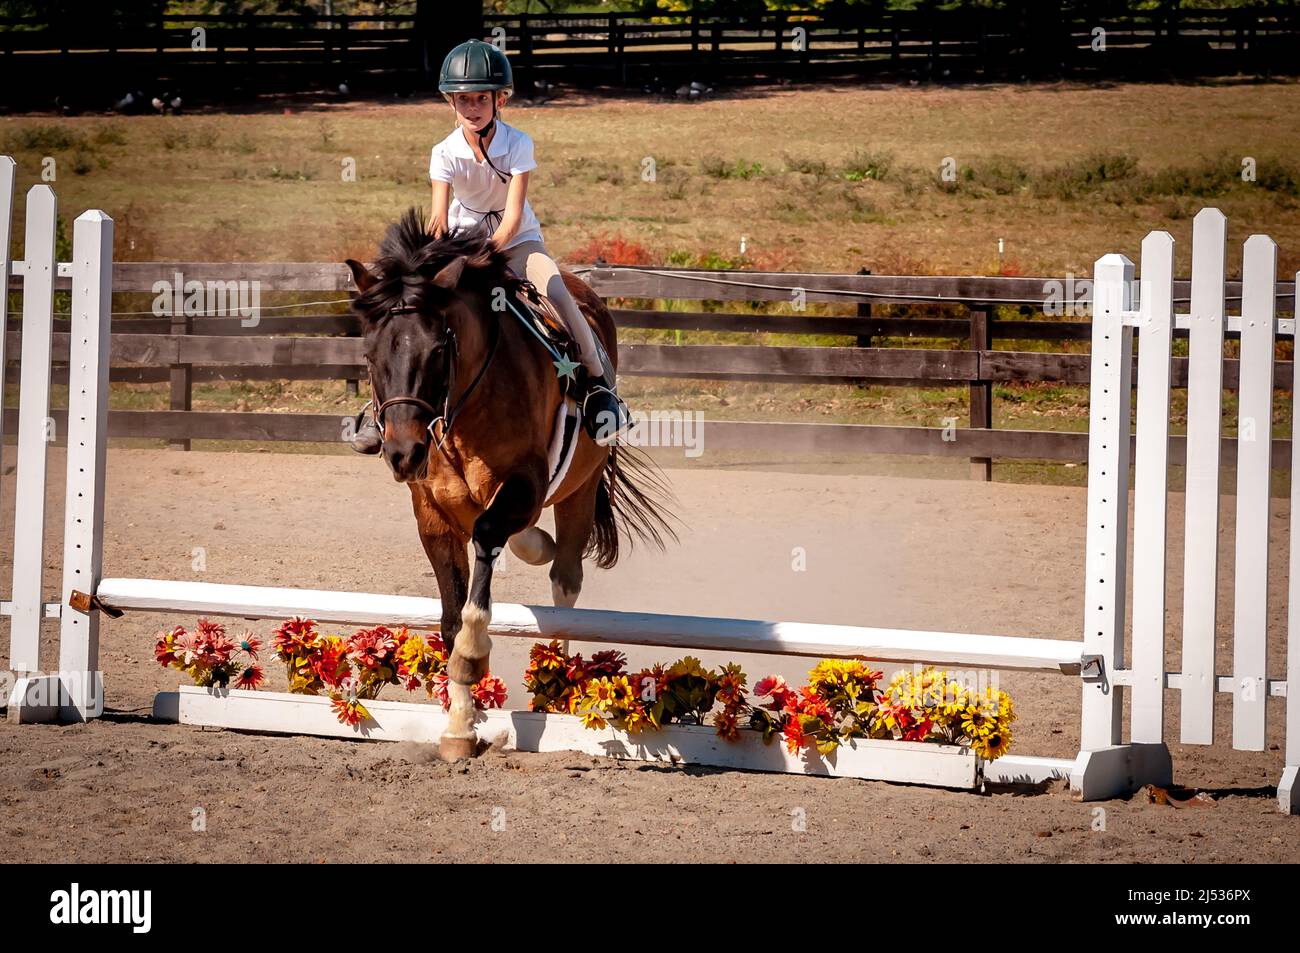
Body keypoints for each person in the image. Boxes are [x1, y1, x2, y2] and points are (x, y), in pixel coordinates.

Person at [351, 38, 632, 454]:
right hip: (460, 247)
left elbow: (513, 215)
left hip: (517, 242)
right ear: (452, 103)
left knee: (558, 292)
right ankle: (378, 410)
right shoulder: (442, 152)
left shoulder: (518, 143)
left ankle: (599, 389)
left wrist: (490, 251)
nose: (473, 107)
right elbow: (438, 217)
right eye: (464, 99)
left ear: (500, 99)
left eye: (482, 98)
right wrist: (434, 257)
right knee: (407, 309)